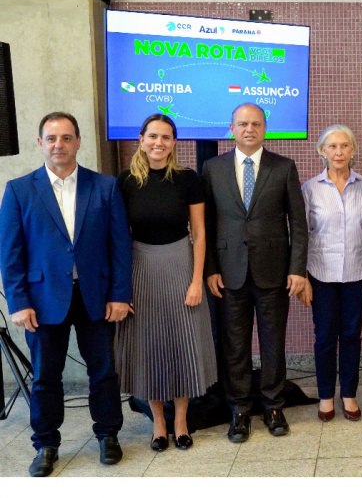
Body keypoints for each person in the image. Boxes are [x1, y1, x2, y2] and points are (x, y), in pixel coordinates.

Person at [0, 112, 132, 476]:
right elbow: (10, 253)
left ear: (78, 141)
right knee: (45, 376)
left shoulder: (104, 187)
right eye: (52, 138)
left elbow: (120, 247)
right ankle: (46, 443)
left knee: (104, 372)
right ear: (40, 143)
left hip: (97, 296)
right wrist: (18, 301)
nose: (59, 144)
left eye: (67, 137)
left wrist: (120, 294)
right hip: (42, 302)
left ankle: (108, 435)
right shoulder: (19, 190)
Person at [202, 103, 308, 443]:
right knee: (235, 345)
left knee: (273, 341)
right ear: (231, 128)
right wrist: (210, 270)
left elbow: (299, 225)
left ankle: (274, 406)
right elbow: (205, 224)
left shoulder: (284, 167)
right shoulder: (212, 168)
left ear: (265, 129)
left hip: (274, 272)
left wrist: (297, 269)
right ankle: (239, 409)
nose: (250, 129)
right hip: (228, 272)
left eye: (256, 124)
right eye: (243, 124)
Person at [115, 114, 218, 451]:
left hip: (180, 264)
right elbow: (119, 237)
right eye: (153, 136)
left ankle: (181, 420)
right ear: (141, 139)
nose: (159, 143)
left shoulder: (188, 179)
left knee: (183, 343)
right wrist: (122, 287)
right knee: (149, 346)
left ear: (175, 142)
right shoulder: (124, 181)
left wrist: (196, 280)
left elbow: (200, 232)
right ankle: (158, 421)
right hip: (140, 267)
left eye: (166, 137)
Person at [299, 124, 362, 422]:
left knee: (352, 336)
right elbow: (302, 235)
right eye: (332, 146)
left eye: (345, 146)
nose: (339, 152)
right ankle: (325, 396)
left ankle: (349, 395)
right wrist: (303, 277)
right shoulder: (310, 189)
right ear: (322, 151)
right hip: (320, 275)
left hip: (358, 274)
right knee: (324, 338)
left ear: (353, 150)